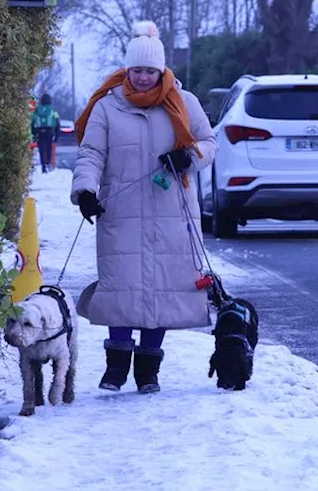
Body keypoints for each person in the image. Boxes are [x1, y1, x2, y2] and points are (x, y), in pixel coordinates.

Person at [70, 20, 218, 394]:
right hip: (120, 213)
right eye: (136, 70)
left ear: (162, 70)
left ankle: (148, 372)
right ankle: (116, 370)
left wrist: (189, 158)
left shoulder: (186, 104)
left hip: (172, 211)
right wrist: (85, 190)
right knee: (122, 288)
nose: (142, 77)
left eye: (150, 71)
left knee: (165, 290)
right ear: (127, 69)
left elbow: (208, 142)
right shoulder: (107, 107)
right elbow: (91, 153)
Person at [31, 93, 60, 173]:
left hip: (39, 131)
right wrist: (57, 135)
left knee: (41, 149)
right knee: (48, 148)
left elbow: (33, 121)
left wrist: (33, 134)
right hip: (49, 131)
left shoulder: (37, 110)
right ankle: (48, 164)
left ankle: (43, 166)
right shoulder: (52, 110)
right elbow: (57, 123)